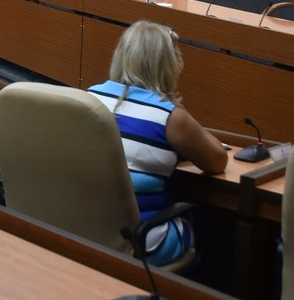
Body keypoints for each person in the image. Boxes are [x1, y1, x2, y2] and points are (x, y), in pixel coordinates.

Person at [87, 21, 227, 265]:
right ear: (169, 65)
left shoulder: (90, 97)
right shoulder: (170, 117)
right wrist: (174, 105)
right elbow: (217, 160)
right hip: (140, 240)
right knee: (213, 225)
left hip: (84, 228)